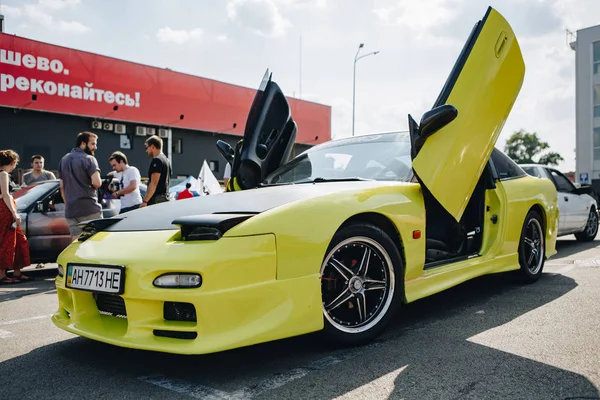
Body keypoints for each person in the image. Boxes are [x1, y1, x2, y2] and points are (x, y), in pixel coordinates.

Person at [58, 132, 103, 239]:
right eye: (93, 144)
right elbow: (97, 183)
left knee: (76, 243)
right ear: (83, 144)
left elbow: (62, 186)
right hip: (89, 208)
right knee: (96, 242)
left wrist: (68, 204)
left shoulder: (64, 159)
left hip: (71, 210)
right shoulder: (89, 159)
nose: (95, 147)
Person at [0, 150, 32, 284]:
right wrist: (14, 213)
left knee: (18, 240)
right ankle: (2, 275)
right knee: (6, 241)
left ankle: (16, 272)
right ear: (12, 162)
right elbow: (6, 194)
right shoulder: (3, 173)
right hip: (5, 209)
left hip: (5, 207)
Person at [140, 135, 171, 207]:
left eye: (146, 147)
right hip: (164, 199)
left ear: (152, 147)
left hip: (156, 200)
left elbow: (154, 183)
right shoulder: (166, 160)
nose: (146, 150)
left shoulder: (157, 160)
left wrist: (145, 201)